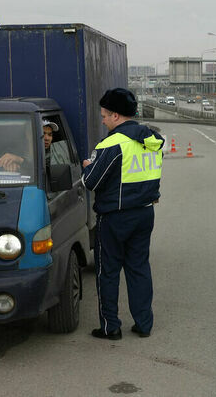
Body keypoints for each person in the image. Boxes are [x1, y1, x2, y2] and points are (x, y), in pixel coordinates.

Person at [82, 88, 165, 340]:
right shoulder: (152, 140)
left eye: (104, 116)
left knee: (107, 271)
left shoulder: (112, 144)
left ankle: (111, 327)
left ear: (116, 115)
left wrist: (87, 167)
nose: (103, 121)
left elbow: (91, 183)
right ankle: (144, 324)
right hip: (145, 214)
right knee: (139, 269)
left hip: (115, 217)